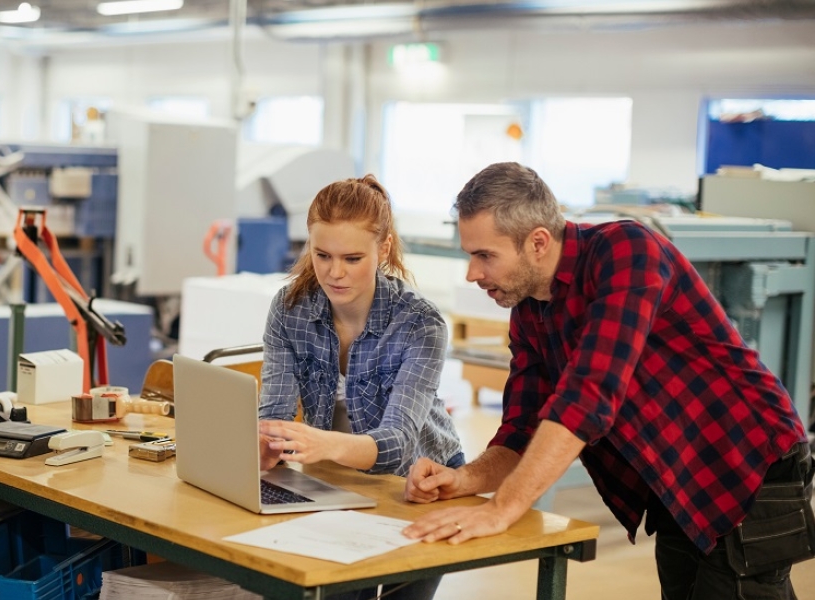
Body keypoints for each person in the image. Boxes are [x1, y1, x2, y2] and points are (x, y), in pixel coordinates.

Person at [400, 162, 814, 599]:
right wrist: (463, 480)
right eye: (470, 255)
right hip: (678, 474)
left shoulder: (627, 252)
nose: (472, 273)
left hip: (747, 461)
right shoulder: (529, 312)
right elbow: (521, 430)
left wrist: (503, 509)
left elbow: (589, 394)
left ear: (538, 242)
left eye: (485, 255)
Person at [258, 174, 464, 600]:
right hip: (334, 475)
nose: (335, 273)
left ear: (383, 249)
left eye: (352, 258)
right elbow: (273, 412)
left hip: (422, 483)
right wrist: (266, 442)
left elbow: (398, 444)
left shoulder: (421, 323)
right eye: (322, 255)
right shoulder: (290, 308)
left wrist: (322, 444)